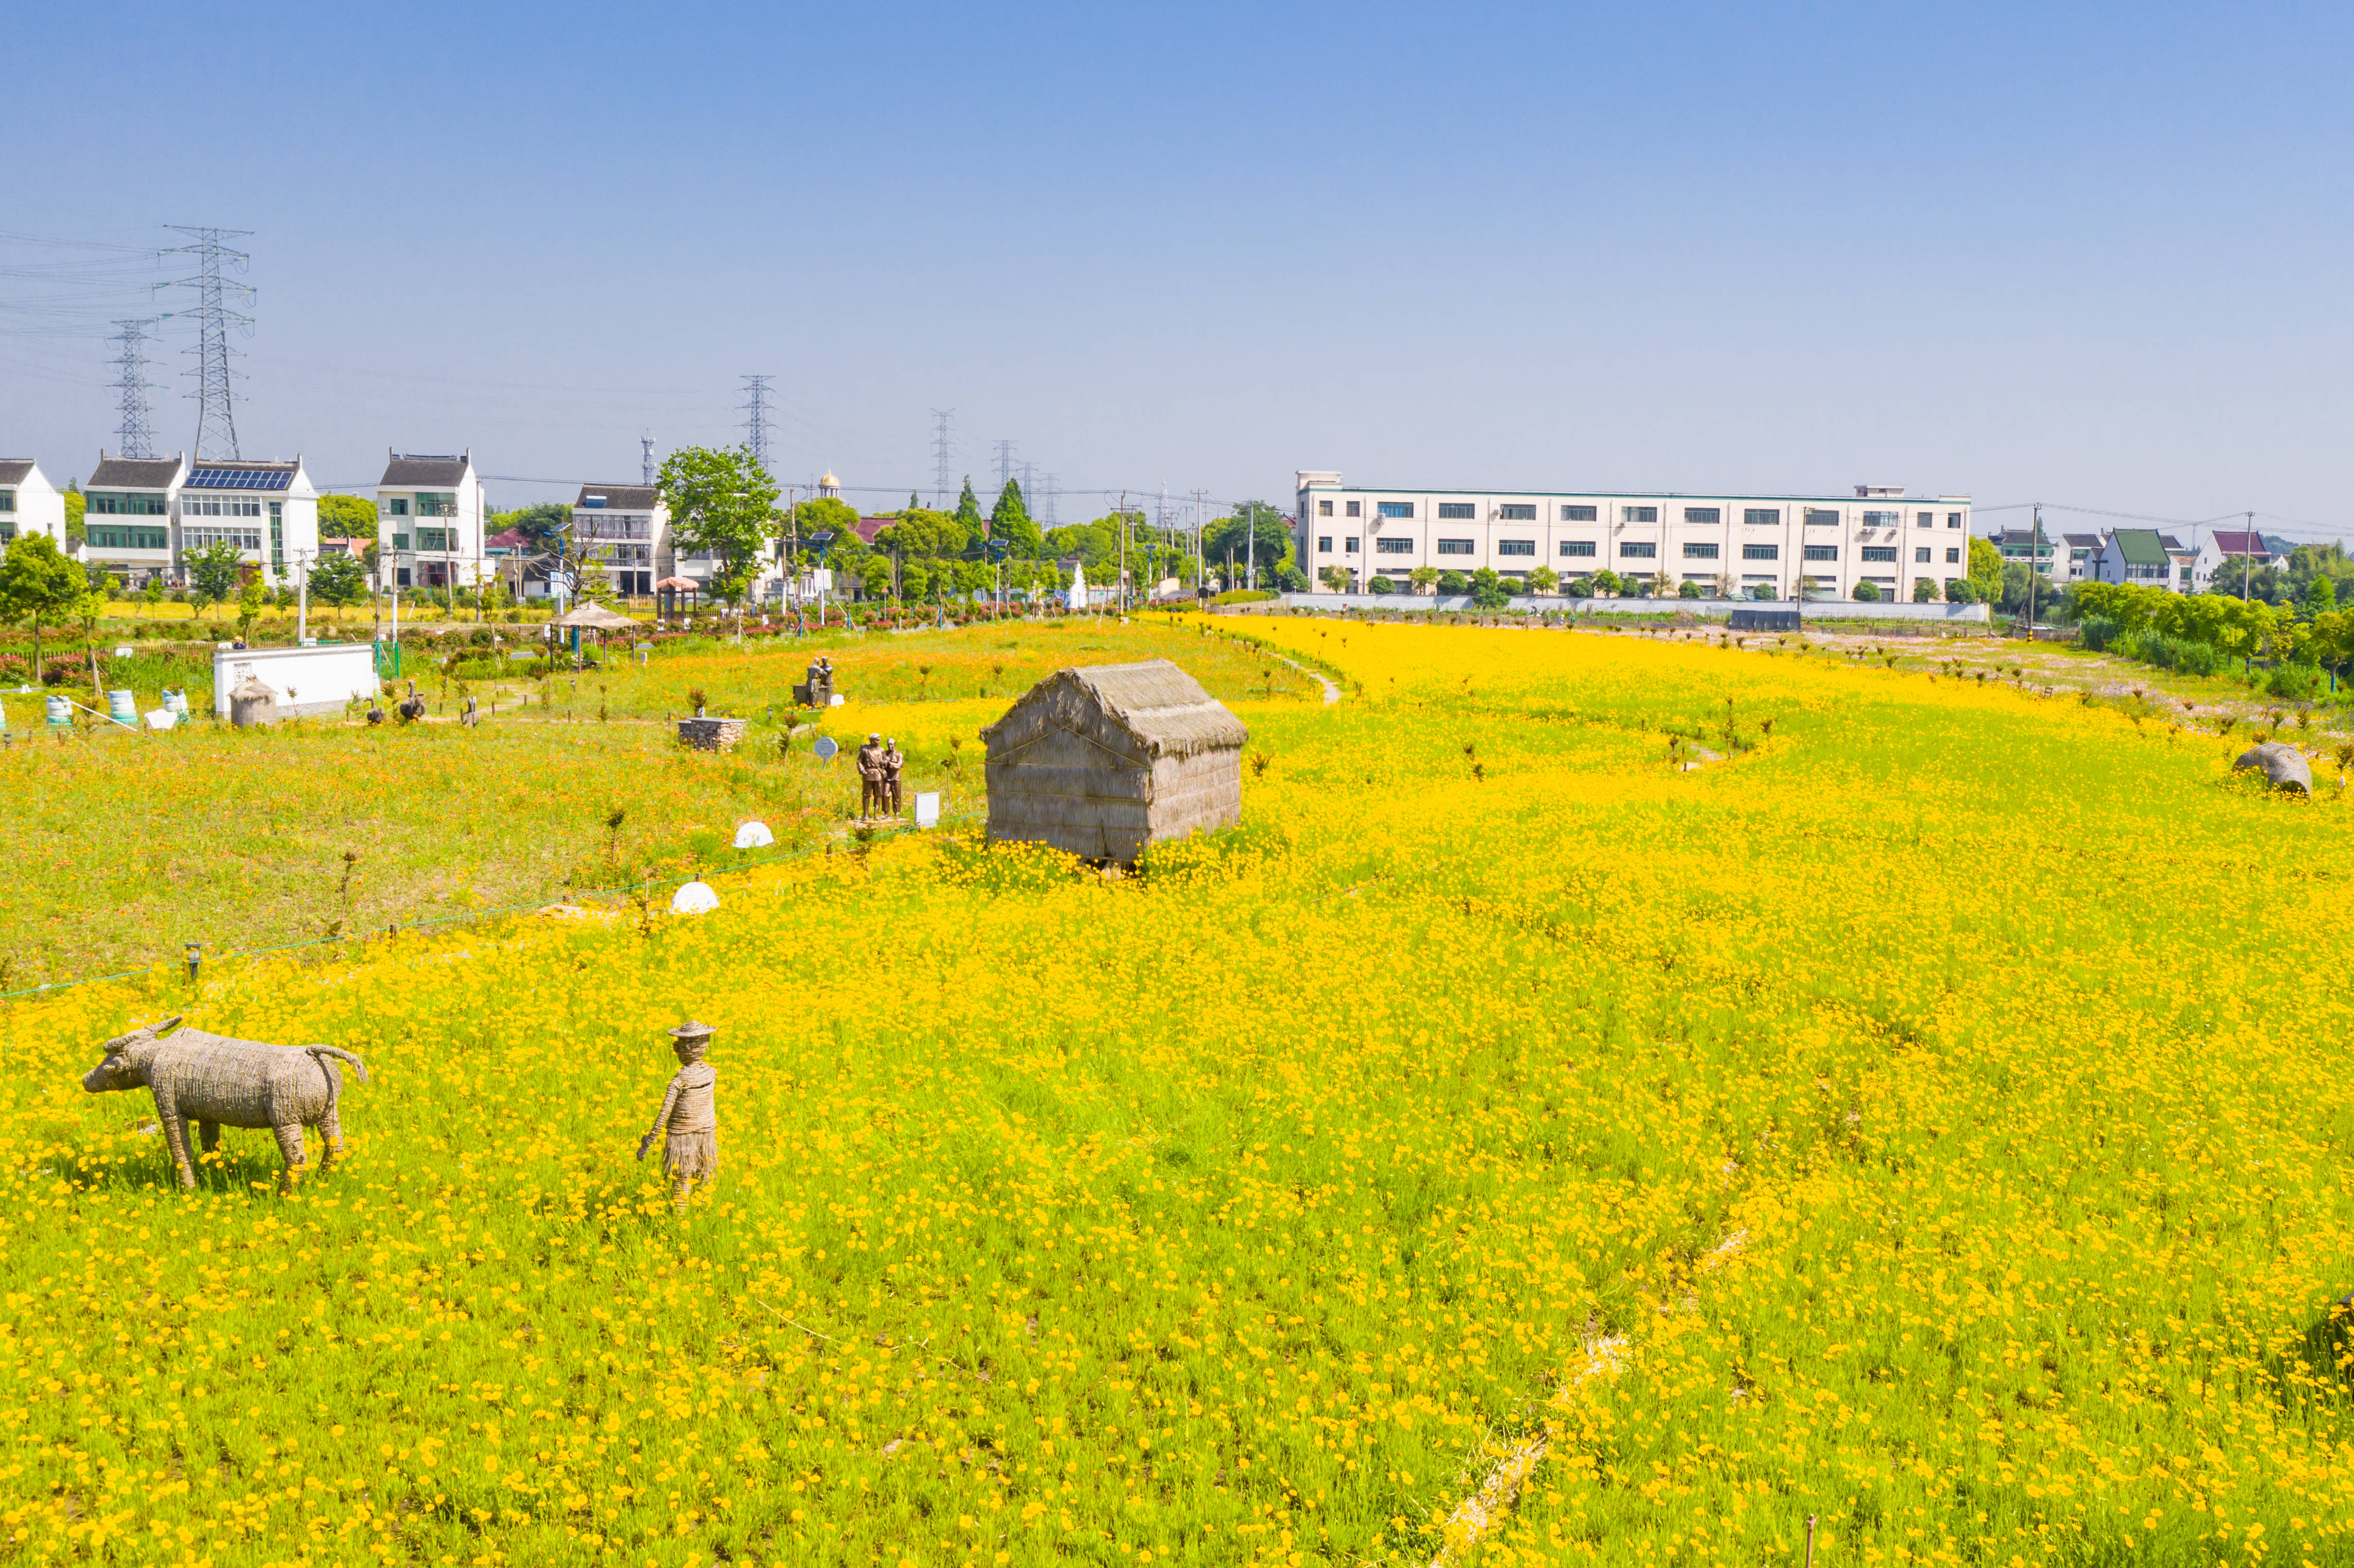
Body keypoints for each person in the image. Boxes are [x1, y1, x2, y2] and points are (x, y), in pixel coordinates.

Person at [636, 1021, 719, 1216]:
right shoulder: (711, 1072)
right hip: (707, 1132)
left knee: (682, 1177)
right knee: (705, 1174)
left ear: (681, 1049)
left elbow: (663, 1115)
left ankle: (680, 1219)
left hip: (681, 1137)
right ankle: (702, 1214)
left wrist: (648, 1144)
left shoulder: (679, 1081)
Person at [855, 731, 885, 817]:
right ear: (872, 741)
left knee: (878, 795)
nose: (879, 742)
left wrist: (884, 763)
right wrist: (863, 771)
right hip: (868, 775)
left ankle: (876, 814)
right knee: (866, 795)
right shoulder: (866, 751)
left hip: (878, 774)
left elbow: (885, 761)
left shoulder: (881, 750)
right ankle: (866, 814)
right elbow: (859, 762)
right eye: (877, 740)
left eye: (879, 740)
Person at [882, 737, 906, 816]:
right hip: (887, 777)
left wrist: (889, 764)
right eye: (888, 744)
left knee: (897, 796)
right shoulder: (885, 754)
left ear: (895, 744)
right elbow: (882, 764)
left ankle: (897, 813)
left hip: (896, 777)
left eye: (891, 744)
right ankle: (886, 812)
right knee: (885, 794)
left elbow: (899, 765)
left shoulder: (899, 754)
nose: (890, 746)